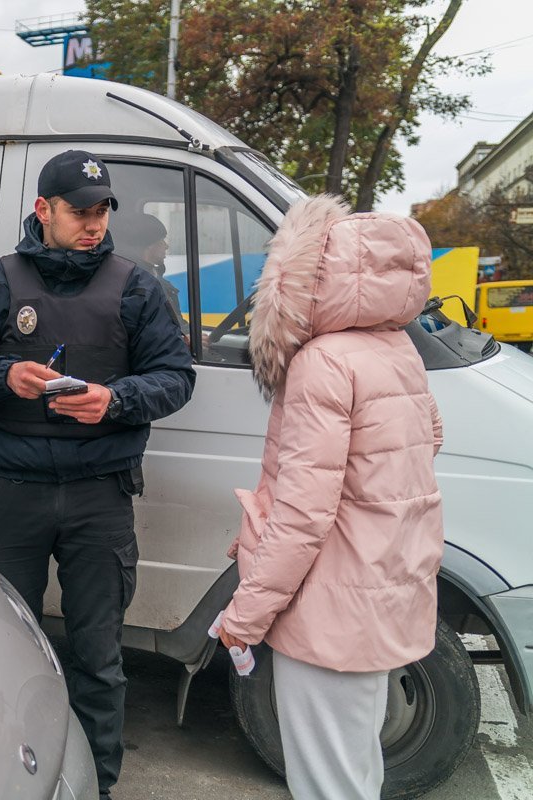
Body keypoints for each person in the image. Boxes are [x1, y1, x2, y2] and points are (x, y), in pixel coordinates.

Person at [0, 150, 195, 799]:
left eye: (103, 211)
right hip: (14, 493)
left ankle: (97, 786)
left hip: (100, 498)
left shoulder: (136, 288)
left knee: (98, 656)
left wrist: (116, 400)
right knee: (8, 652)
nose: (94, 224)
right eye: (81, 211)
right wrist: (4, 375)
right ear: (44, 210)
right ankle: (7, 782)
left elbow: (175, 377)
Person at [215, 195, 443, 800]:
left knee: (325, 782)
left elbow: (302, 516)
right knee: (356, 766)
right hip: (378, 594)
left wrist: (244, 617)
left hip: (329, 611)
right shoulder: (397, 350)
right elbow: (425, 445)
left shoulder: (323, 362)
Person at [127, 212, 185, 331]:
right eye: (162, 240)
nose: (166, 246)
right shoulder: (139, 282)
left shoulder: (154, 276)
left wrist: (188, 334)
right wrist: (184, 336)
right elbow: (153, 329)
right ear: (149, 244)